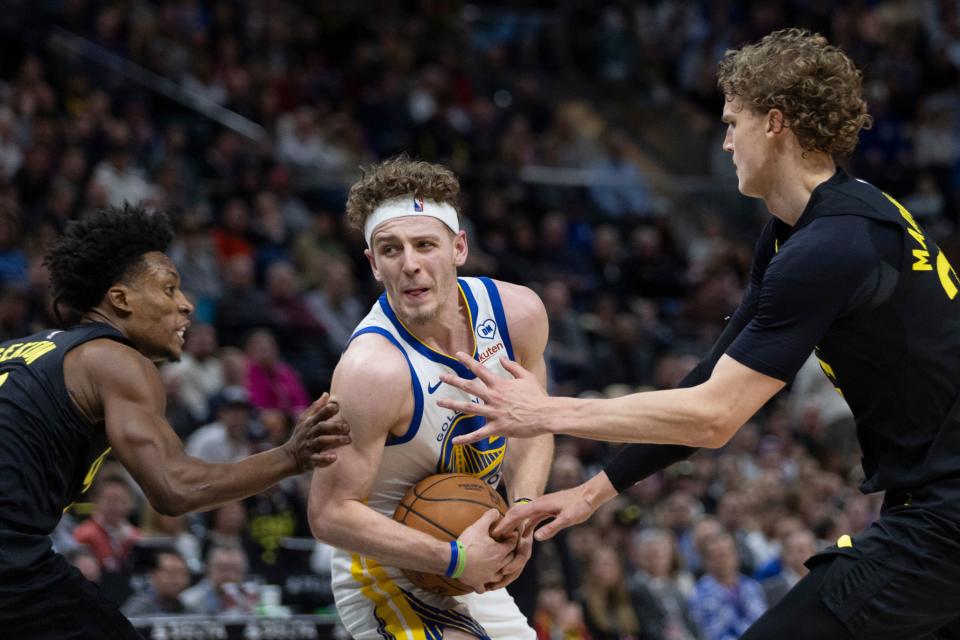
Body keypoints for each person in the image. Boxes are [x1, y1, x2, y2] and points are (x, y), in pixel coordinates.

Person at [440, 29, 960, 639]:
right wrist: (592, 492)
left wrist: (547, 412)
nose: (724, 141)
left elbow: (714, 418)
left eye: (732, 122)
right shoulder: (801, 229)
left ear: (774, 124)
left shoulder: (832, 245)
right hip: (929, 502)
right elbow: (706, 383)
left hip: (944, 511)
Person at [0, 204, 350, 638]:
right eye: (169, 289)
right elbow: (174, 487)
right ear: (120, 299)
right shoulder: (117, 360)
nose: (186, 305)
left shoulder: (19, 350)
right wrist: (291, 456)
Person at [307, 156, 554, 639]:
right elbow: (329, 513)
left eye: (425, 244)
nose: (411, 264)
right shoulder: (371, 370)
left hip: (469, 551)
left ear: (459, 247)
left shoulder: (518, 314)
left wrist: (521, 515)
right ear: (373, 264)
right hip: (388, 570)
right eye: (391, 249)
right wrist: (455, 557)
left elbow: (533, 426)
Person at [120, 549, 190, 616]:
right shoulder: (138, 608)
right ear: (153, 573)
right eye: (170, 572)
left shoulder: (183, 606)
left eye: (181, 573)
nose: (176, 579)